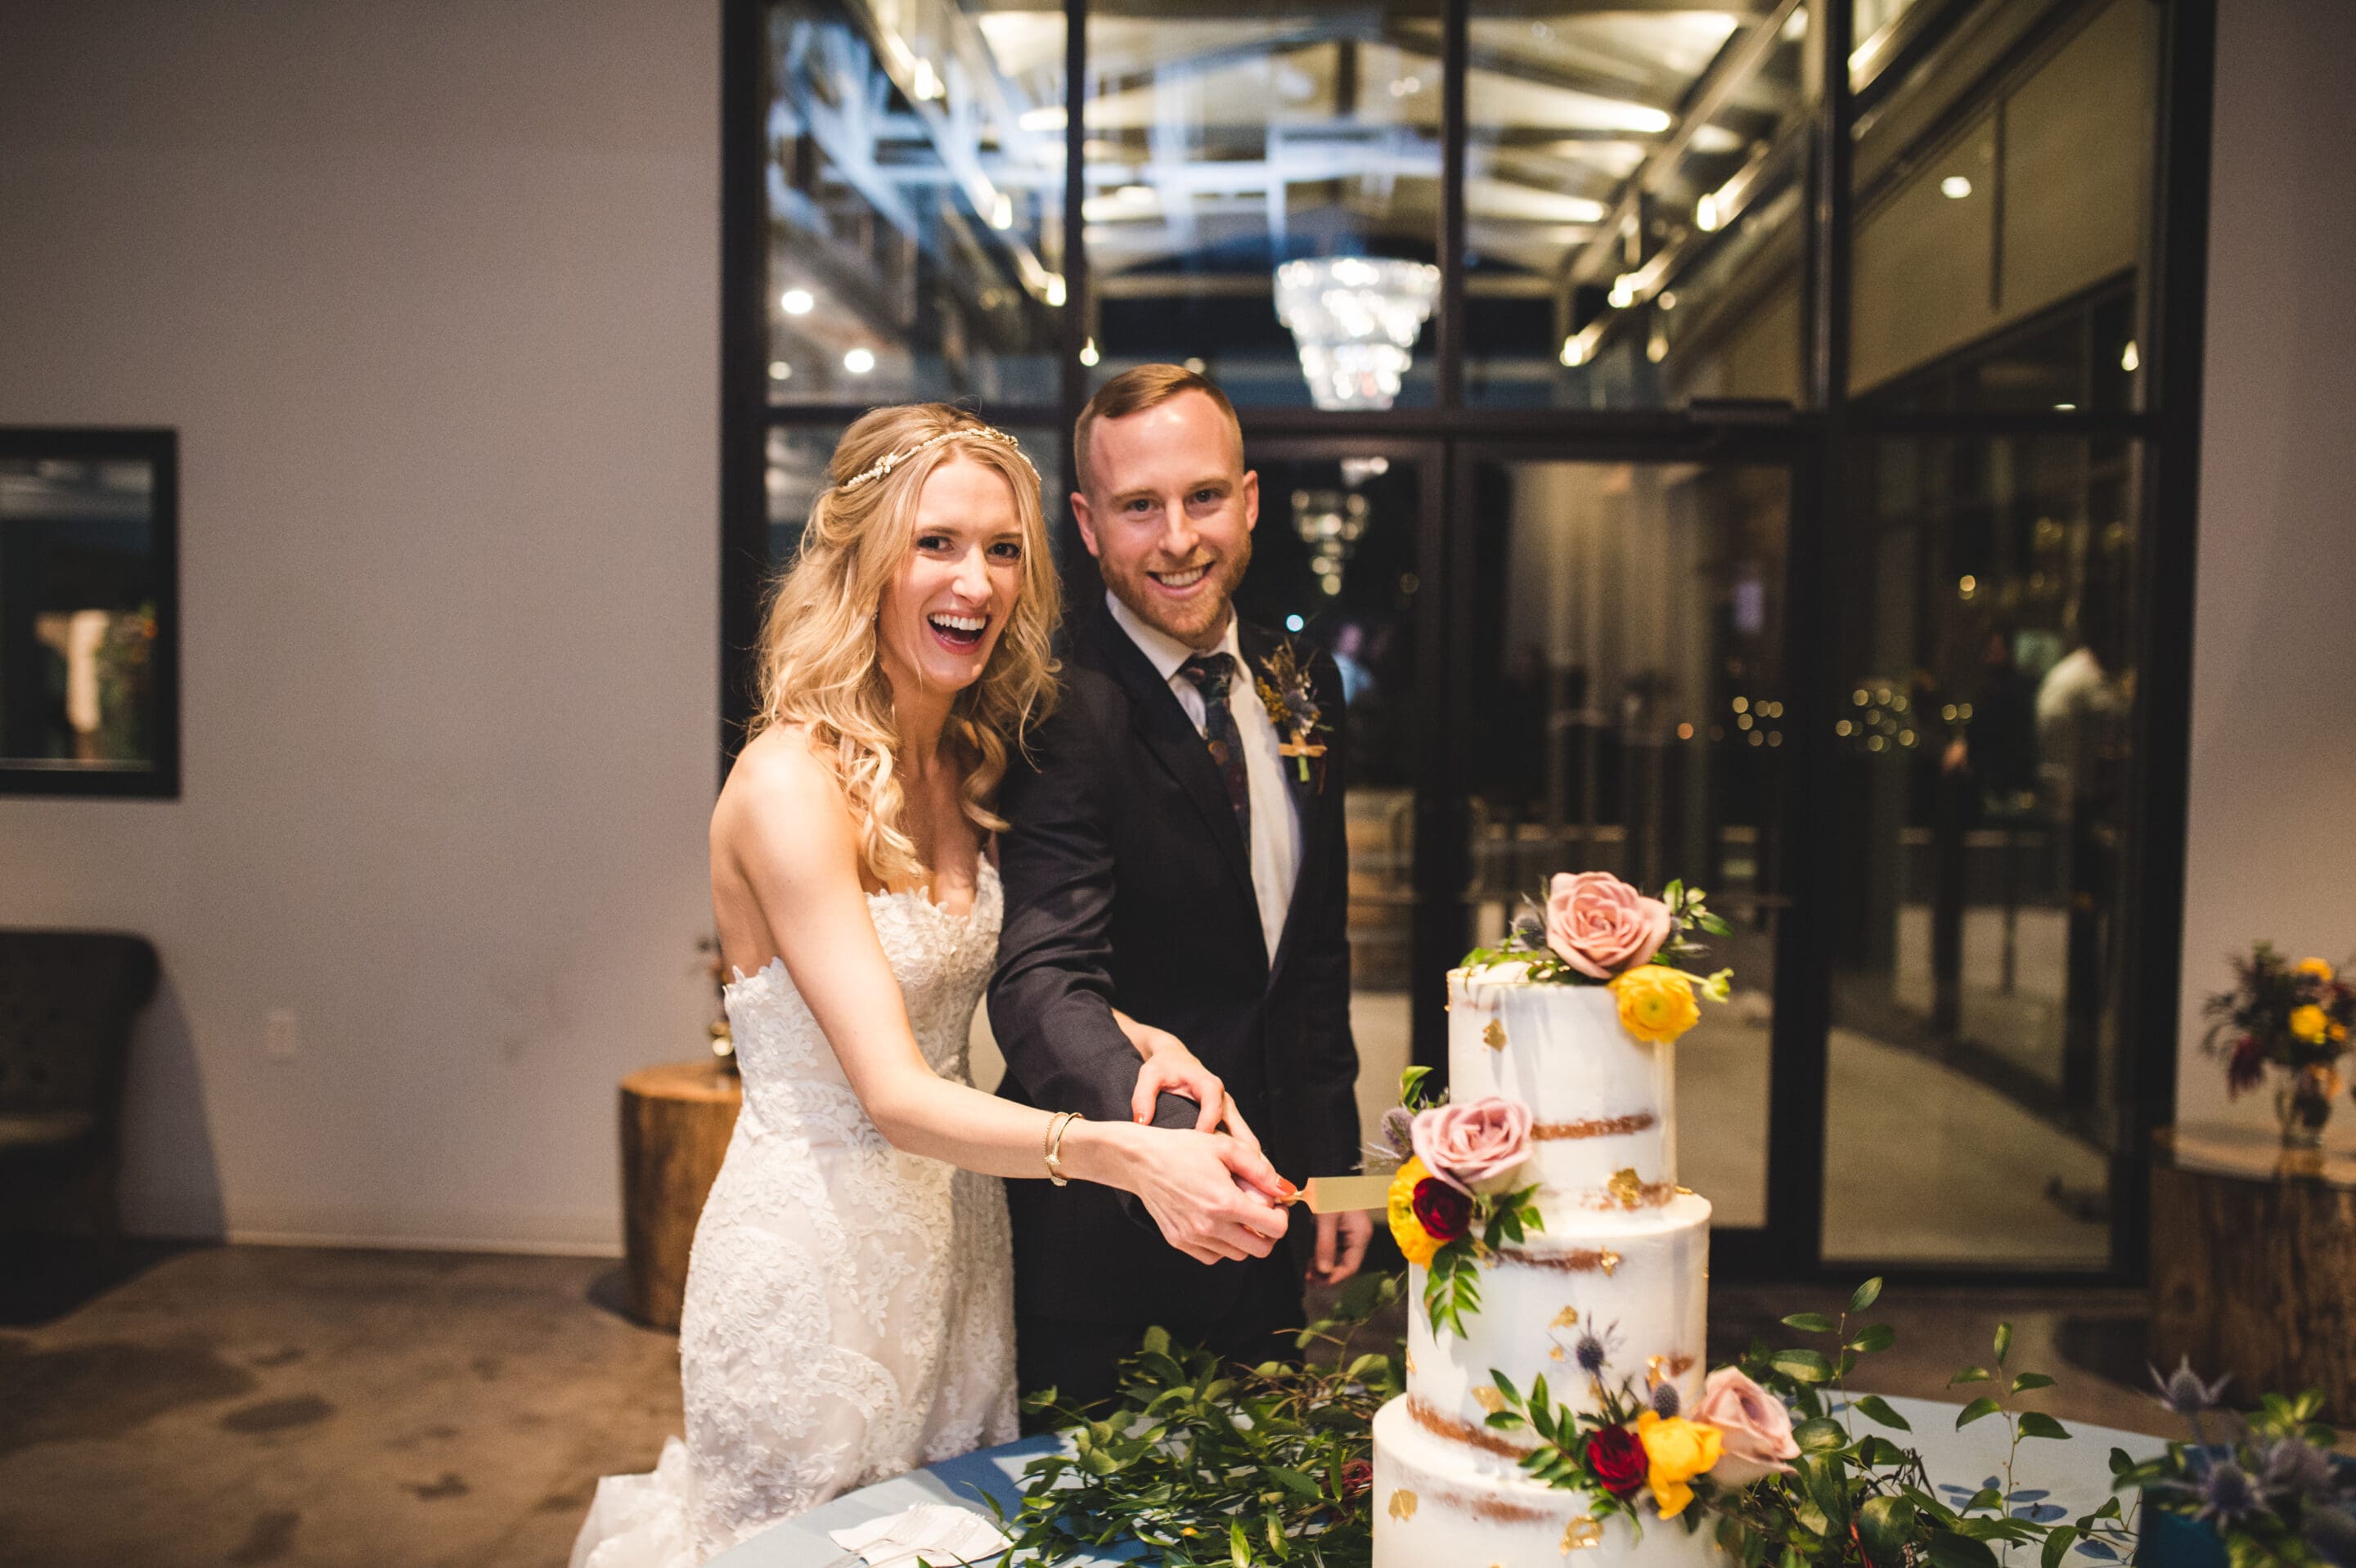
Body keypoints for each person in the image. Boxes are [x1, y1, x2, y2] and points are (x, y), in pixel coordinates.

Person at [570, 405, 1291, 1568]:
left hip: (960, 1246)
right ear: (860, 556)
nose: (978, 580)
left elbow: (1016, 975)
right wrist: (1122, 1152)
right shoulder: (787, 781)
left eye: (1004, 549)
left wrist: (1143, 1036)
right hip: (816, 1270)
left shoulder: (974, 758)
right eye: (936, 542)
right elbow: (895, 1093)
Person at [989, 366, 1374, 1417]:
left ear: (1248, 500)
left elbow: (1311, 949)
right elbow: (1043, 980)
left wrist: (1330, 1163)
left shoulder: (1302, 676)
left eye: (1203, 498)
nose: (1177, 539)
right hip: (1113, 1229)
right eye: (1139, 507)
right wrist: (1165, 1149)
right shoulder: (1056, 708)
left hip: (1274, 1208)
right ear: (1087, 521)